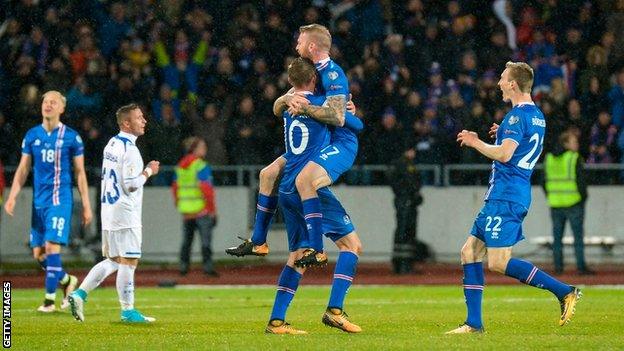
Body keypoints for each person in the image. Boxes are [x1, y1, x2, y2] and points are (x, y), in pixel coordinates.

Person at [447, 62, 581, 334]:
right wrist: (504, 135)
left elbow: (506, 155)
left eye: (502, 78)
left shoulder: (516, 117)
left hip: (506, 196)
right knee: (469, 252)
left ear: (512, 84)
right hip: (508, 193)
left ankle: (564, 291)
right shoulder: (536, 116)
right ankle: (474, 323)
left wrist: (475, 142)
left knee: (497, 262)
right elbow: (518, 147)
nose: (498, 83)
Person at [227, 24, 360, 268]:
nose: (296, 45)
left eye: (299, 41)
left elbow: (340, 118)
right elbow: (277, 108)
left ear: (311, 46)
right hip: (313, 144)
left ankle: (316, 248)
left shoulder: (332, 74)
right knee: (267, 174)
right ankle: (258, 241)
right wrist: (286, 99)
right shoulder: (308, 72)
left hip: (333, 143)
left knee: (304, 181)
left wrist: (309, 108)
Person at [264, 57, 362, 334]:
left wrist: (285, 99)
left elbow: (277, 106)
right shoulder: (320, 105)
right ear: (314, 80)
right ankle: (335, 311)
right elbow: (347, 123)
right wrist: (348, 113)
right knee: (351, 246)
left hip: (286, 187)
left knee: (296, 256)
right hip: (307, 188)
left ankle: (277, 320)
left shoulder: (290, 103)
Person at [68, 103, 160, 323]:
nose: (144, 120)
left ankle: (79, 294)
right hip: (124, 213)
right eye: (139, 118)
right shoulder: (130, 150)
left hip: (109, 211)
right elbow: (130, 184)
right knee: (129, 261)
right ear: (126, 123)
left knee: (114, 260)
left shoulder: (111, 143)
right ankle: (128, 311)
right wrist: (149, 171)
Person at [3, 91, 92, 312]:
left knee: (52, 248)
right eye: (45, 101)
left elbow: (80, 172)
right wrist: (12, 195)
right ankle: (67, 281)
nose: (48, 105)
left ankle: (49, 301)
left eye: (53, 102)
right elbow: (24, 168)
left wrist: (87, 205)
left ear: (62, 108)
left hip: (59, 200)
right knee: (39, 254)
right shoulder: (32, 135)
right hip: (38, 202)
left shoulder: (72, 137)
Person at [543, 131, 592, 275]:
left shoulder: (549, 158)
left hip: (555, 203)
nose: (576, 144)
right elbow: (581, 182)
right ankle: (581, 267)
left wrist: (551, 196)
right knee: (578, 238)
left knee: (557, 239)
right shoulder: (574, 158)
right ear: (565, 144)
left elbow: (543, 181)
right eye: (573, 141)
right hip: (574, 203)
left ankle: (558, 268)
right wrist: (582, 198)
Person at [172, 137, 218, 276]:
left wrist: (179, 204)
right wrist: (212, 209)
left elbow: (175, 187)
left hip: (186, 210)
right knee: (205, 241)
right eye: (202, 147)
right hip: (201, 209)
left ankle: (183, 267)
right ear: (194, 149)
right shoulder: (201, 166)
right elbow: (207, 189)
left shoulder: (180, 166)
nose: (205, 149)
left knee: (186, 241)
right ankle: (207, 268)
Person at [388, 147, 424, 274]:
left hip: (406, 201)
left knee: (405, 231)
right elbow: (409, 183)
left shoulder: (406, 164)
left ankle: (403, 263)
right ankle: (403, 264)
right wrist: (409, 195)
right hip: (405, 201)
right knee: (405, 231)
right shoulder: (403, 164)